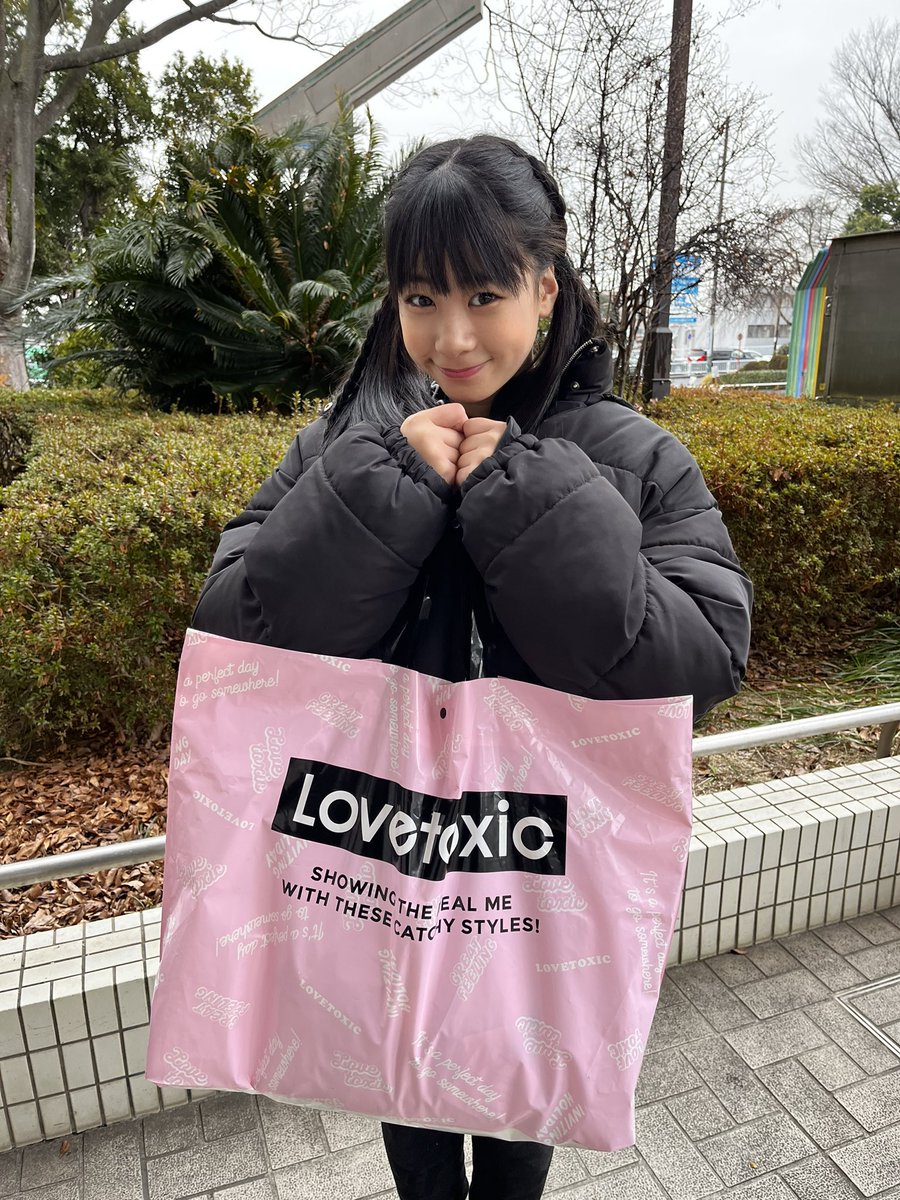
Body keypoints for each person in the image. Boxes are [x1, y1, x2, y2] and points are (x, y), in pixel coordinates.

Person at [193, 135, 752, 1200]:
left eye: (485, 295)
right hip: (378, 856)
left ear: (546, 286)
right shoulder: (348, 442)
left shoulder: (635, 457)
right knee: (402, 1087)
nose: (452, 337)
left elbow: (706, 653)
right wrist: (378, 491)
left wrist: (534, 500)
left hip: (533, 868)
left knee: (517, 1094)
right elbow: (232, 628)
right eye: (420, 298)